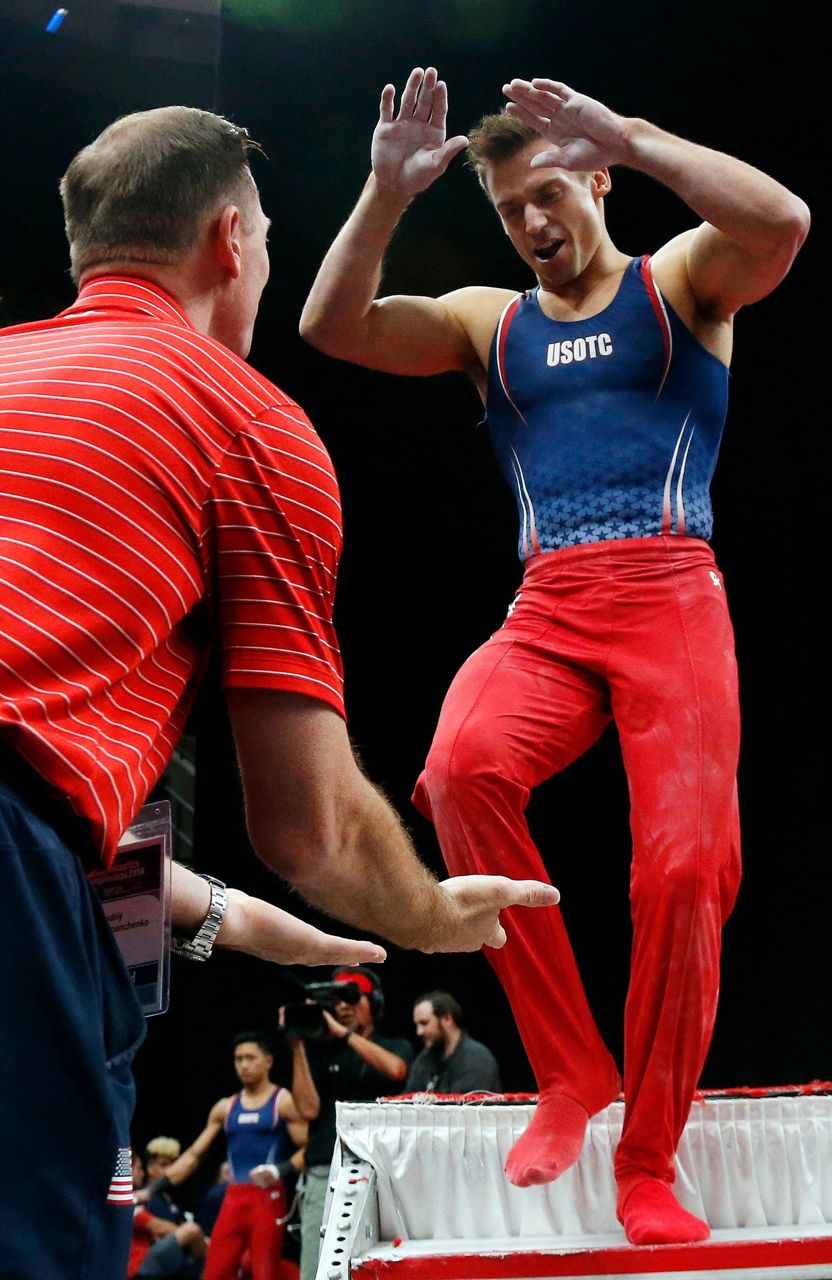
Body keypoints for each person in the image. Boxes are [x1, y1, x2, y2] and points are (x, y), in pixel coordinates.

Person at [0, 104, 560, 1278]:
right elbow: (308, 826)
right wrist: (426, 914)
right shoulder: (243, 414)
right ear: (226, 241)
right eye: (264, 236)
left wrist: (244, 925)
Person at [299, 68, 809, 1244]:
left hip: (671, 593)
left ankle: (646, 1156)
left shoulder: (677, 283)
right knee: (457, 768)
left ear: (590, 179)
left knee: (682, 872)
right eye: (506, 209)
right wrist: (384, 194)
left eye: (545, 195)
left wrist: (632, 135)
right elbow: (332, 326)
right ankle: (569, 1072)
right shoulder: (491, 320)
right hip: (549, 607)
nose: (530, 225)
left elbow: (779, 224)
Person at [283, 967, 411, 1280]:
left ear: (375, 1002)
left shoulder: (393, 1045)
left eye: (353, 998)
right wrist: (297, 1046)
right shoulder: (320, 1050)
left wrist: (344, 1035)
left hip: (379, 1171)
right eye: (337, 1000)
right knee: (316, 1267)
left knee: (379, 1262)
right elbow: (307, 1109)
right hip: (324, 1169)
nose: (343, 1006)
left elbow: (396, 1071)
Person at [140, 1033, 302, 1280]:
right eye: (238, 1059)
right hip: (233, 1198)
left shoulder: (282, 1102)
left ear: (268, 1061)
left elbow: (310, 1148)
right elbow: (194, 1155)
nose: (244, 1065)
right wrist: (151, 1190)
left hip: (267, 1198)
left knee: (264, 1273)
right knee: (215, 1272)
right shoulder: (225, 1107)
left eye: (250, 1058)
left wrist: (281, 1169)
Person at [129, 1150, 207, 1280]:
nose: (141, 1173)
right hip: (136, 1267)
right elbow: (161, 1228)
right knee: (192, 1231)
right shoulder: (129, 1198)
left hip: (149, 1257)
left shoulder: (168, 1198)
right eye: (139, 1168)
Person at [408, 990, 500, 1093]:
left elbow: (466, 1105)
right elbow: (408, 1099)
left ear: (447, 1019)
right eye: (417, 1025)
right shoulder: (424, 1060)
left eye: (424, 1023)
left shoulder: (476, 1058)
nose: (419, 1032)